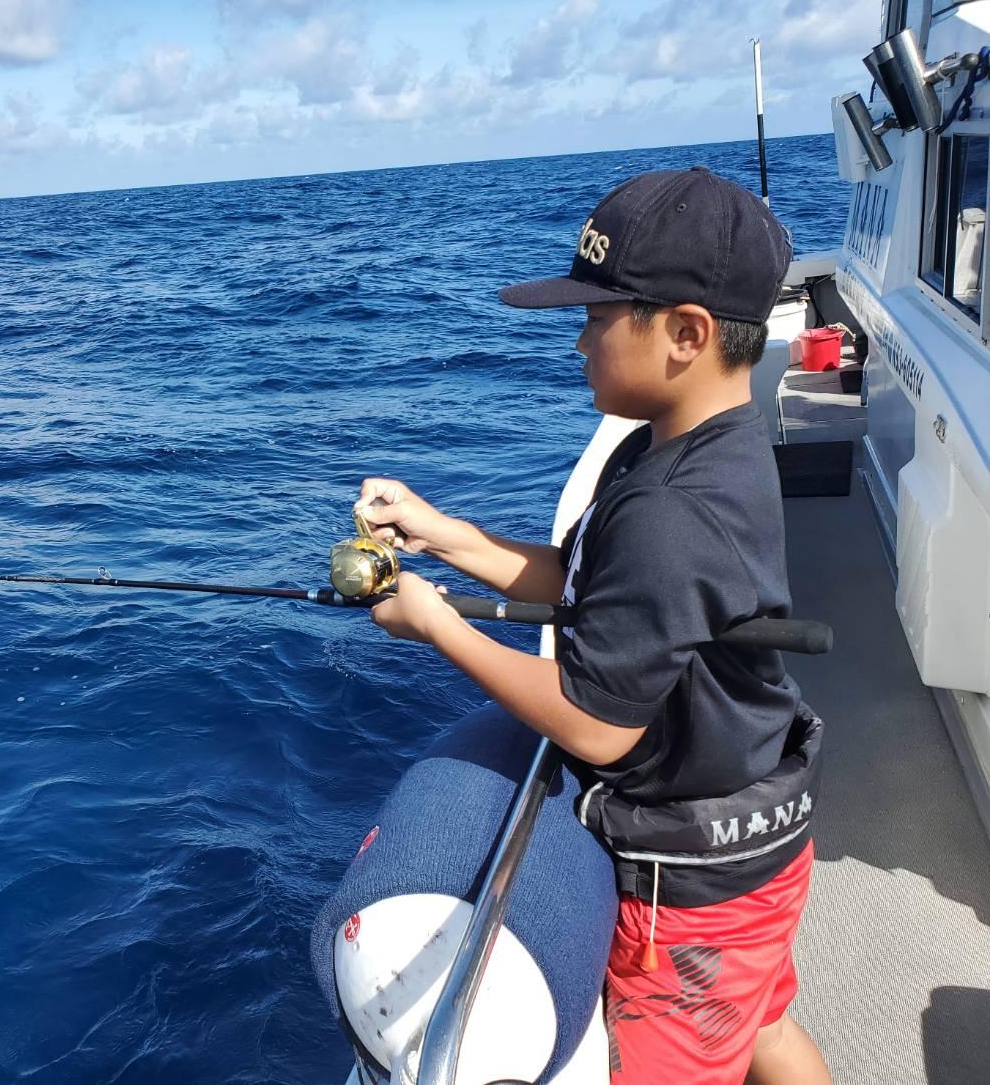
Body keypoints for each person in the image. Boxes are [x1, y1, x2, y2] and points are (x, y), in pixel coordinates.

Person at [353, 167, 830, 1085]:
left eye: (594, 319)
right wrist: (442, 535)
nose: (575, 343)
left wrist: (437, 627)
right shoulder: (687, 450)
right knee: (764, 1026)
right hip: (762, 830)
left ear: (685, 334)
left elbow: (596, 723)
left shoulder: (670, 511)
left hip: (687, 887)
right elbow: (581, 584)